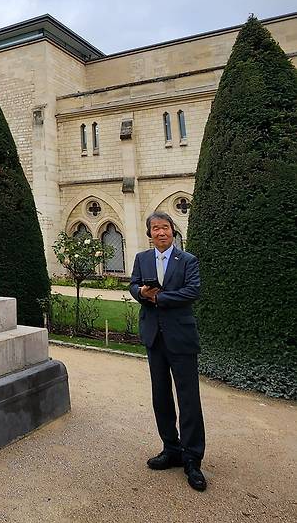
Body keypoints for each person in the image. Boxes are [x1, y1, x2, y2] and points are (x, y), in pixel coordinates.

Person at [129, 211, 207, 492]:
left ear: (173, 231)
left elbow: (192, 292)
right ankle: (171, 448)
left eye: (165, 228)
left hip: (181, 338)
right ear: (149, 234)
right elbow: (133, 285)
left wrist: (157, 296)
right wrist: (141, 292)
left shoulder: (187, 260)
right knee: (160, 396)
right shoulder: (142, 258)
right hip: (154, 338)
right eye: (155, 229)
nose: (161, 233)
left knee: (188, 398)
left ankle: (192, 458)